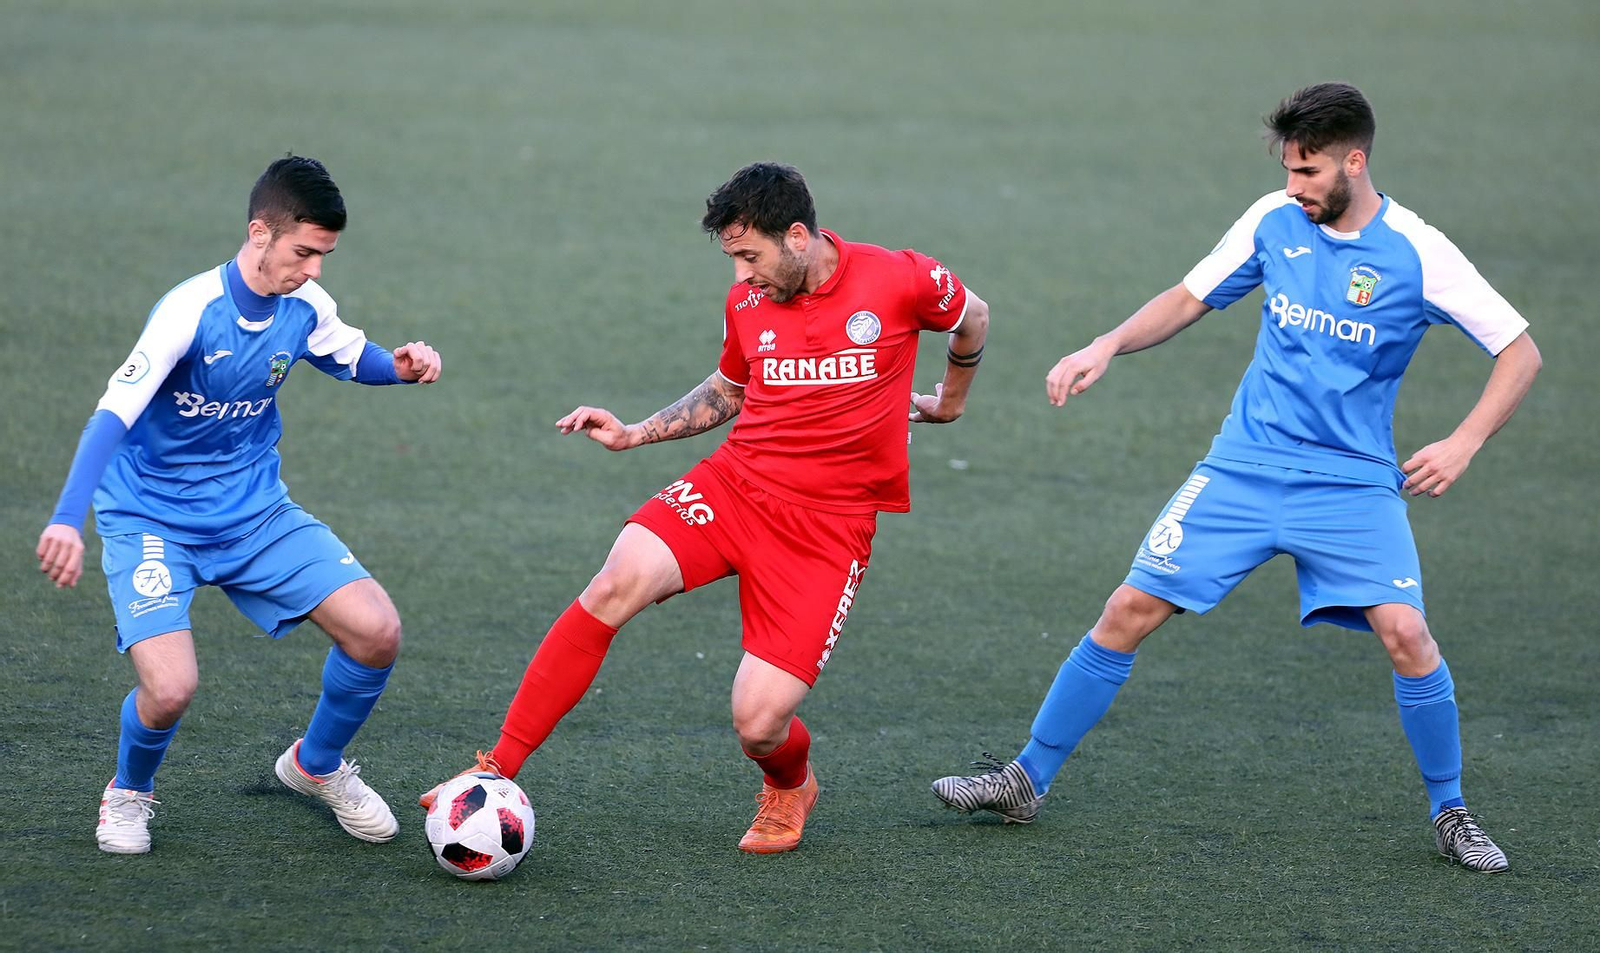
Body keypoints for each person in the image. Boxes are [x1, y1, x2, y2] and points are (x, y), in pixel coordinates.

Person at [931, 83, 1539, 873]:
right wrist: (1106, 344)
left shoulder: (1419, 252)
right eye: (1289, 169)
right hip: (1243, 467)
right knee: (1128, 607)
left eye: (1310, 172)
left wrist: (1463, 441)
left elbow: (1519, 351)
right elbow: (1189, 298)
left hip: (1351, 484)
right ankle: (1024, 779)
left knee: (1407, 633)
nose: (1295, 186)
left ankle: (1451, 810)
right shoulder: (1272, 221)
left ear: (1356, 161)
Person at [421, 161, 989, 853]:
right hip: (734, 487)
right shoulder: (747, 302)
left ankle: (791, 783)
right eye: (733, 259)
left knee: (758, 723)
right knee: (614, 581)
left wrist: (952, 399)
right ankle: (496, 767)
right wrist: (635, 431)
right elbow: (729, 390)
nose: (742, 276)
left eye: (750, 256)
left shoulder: (898, 278)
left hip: (826, 529)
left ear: (800, 236)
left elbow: (971, 317)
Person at [35, 155, 443, 854]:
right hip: (154, 519)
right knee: (169, 689)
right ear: (260, 232)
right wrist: (67, 517)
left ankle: (314, 766)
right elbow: (112, 415)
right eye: (304, 252)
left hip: (254, 512)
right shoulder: (189, 312)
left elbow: (349, 355)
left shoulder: (304, 305)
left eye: (325, 254)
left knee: (377, 631)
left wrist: (398, 368)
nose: (315, 269)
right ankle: (129, 792)